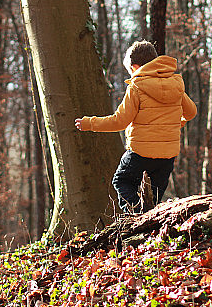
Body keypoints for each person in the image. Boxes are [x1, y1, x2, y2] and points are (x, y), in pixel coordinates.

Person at [74, 40, 197, 213]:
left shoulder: (137, 86)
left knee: (121, 181)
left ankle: (136, 217)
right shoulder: (175, 84)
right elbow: (191, 112)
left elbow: (119, 121)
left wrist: (89, 123)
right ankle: (149, 226)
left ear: (135, 67)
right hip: (167, 155)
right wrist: (174, 124)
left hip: (140, 153)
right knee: (152, 200)